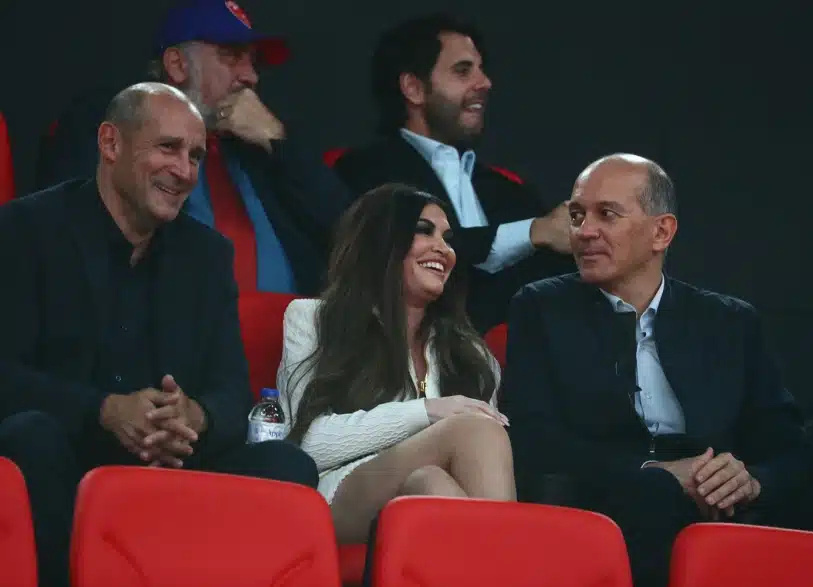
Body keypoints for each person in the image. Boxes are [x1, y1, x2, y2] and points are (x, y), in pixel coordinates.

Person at [499, 154, 813, 587]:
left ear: (661, 232)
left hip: (720, 498)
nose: (584, 231)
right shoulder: (542, 308)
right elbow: (534, 438)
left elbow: (792, 450)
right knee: (655, 496)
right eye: (576, 216)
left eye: (607, 214)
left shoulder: (729, 321)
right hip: (615, 494)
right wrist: (656, 471)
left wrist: (751, 480)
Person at [0, 82, 318, 587]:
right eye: (168, 148)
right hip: (70, 452)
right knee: (30, 436)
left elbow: (231, 392)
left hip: (176, 464)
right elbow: (6, 376)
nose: (185, 171)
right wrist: (104, 410)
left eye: (195, 156)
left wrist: (196, 416)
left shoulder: (208, 256)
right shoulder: (26, 229)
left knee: (287, 466)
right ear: (111, 143)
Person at [34, 0, 353, 295]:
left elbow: (353, 235)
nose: (251, 77)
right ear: (177, 65)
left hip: (287, 330)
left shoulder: (263, 151)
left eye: (253, 61)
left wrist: (278, 142)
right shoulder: (114, 125)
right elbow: (71, 237)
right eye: (231, 55)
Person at [277, 183, 516, 544]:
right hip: (342, 493)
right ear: (383, 240)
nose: (443, 248)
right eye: (424, 231)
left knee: (432, 485)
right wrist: (427, 411)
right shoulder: (313, 319)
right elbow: (307, 443)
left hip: (423, 492)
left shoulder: (473, 355)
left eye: (448, 238)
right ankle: (514, 559)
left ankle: (496, 564)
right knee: (475, 429)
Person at [332, 14, 573, 333]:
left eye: (481, 69)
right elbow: (401, 253)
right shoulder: (367, 171)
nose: (484, 83)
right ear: (414, 88)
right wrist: (532, 233)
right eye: (463, 70)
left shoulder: (508, 189)